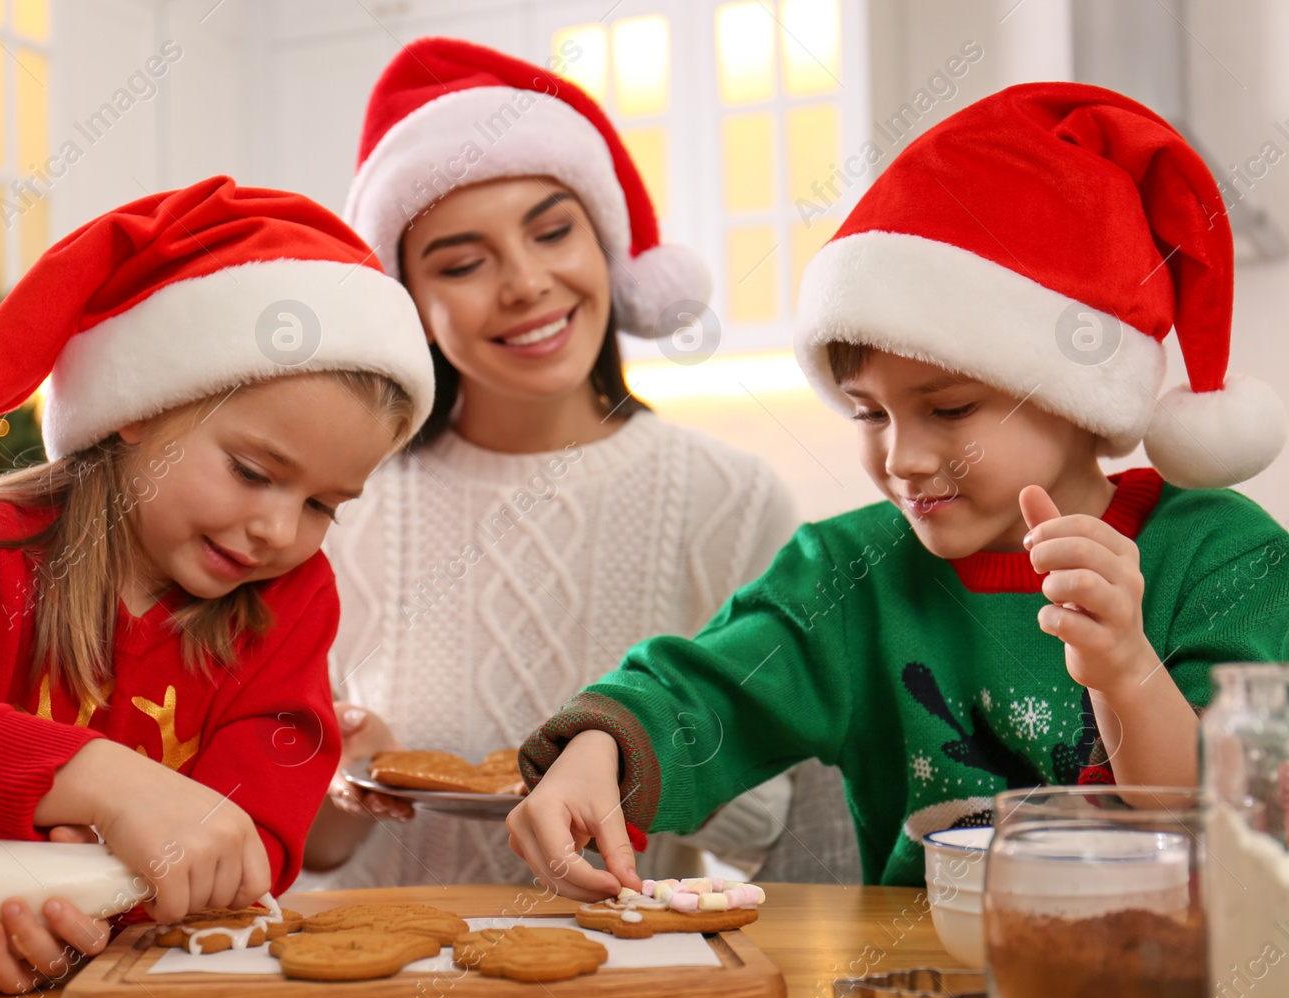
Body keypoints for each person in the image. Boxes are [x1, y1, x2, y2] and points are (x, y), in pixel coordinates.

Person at [507, 82, 1289, 898]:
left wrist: (1124, 667)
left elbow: (1229, 823)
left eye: (949, 410)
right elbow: (706, 691)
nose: (904, 457)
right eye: (869, 412)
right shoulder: (850, 573)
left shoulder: (1224, 560)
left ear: (1075, 397)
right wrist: (600, 750)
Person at [0, 176, 434, 993]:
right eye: (253, 471)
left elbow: (252, 842)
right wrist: (100, 779)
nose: (279, 531)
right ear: (142, 405)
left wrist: (97, 915)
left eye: (324, 503)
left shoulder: (286, 602)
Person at [299, 37, 798, 887]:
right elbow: (316, 853)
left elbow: (771, 826)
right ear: (411, 303)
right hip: (382, 992)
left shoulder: (735, 501)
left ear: (605, 245)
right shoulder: (338, 507)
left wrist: (643, 755)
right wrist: (336, 772)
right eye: (462, 262)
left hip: (624, 984)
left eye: (553, 231)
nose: (526, 283)